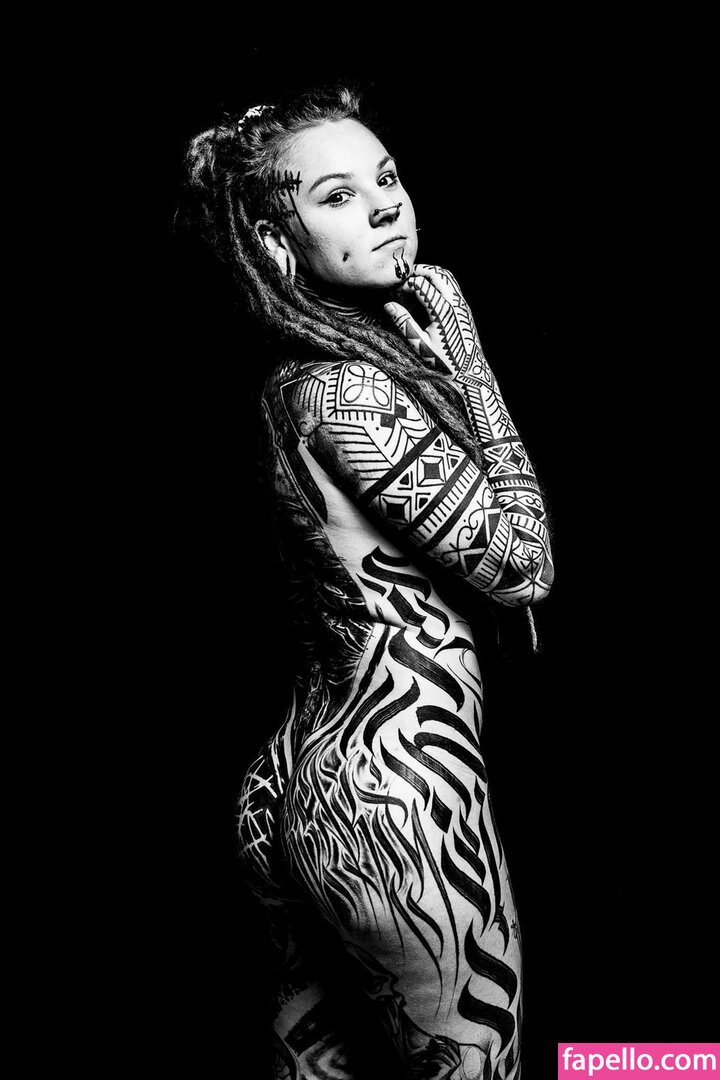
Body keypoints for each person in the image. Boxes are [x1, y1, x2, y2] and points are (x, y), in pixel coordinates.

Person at [181, 85, 553, 1080]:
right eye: (338, 195)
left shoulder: (293, 382)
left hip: (289, 785)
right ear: (274, 243)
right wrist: (469, 354)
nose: (386, 204)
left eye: (386, 178)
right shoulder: (345, 389)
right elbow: (522, 567)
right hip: (396, 800)